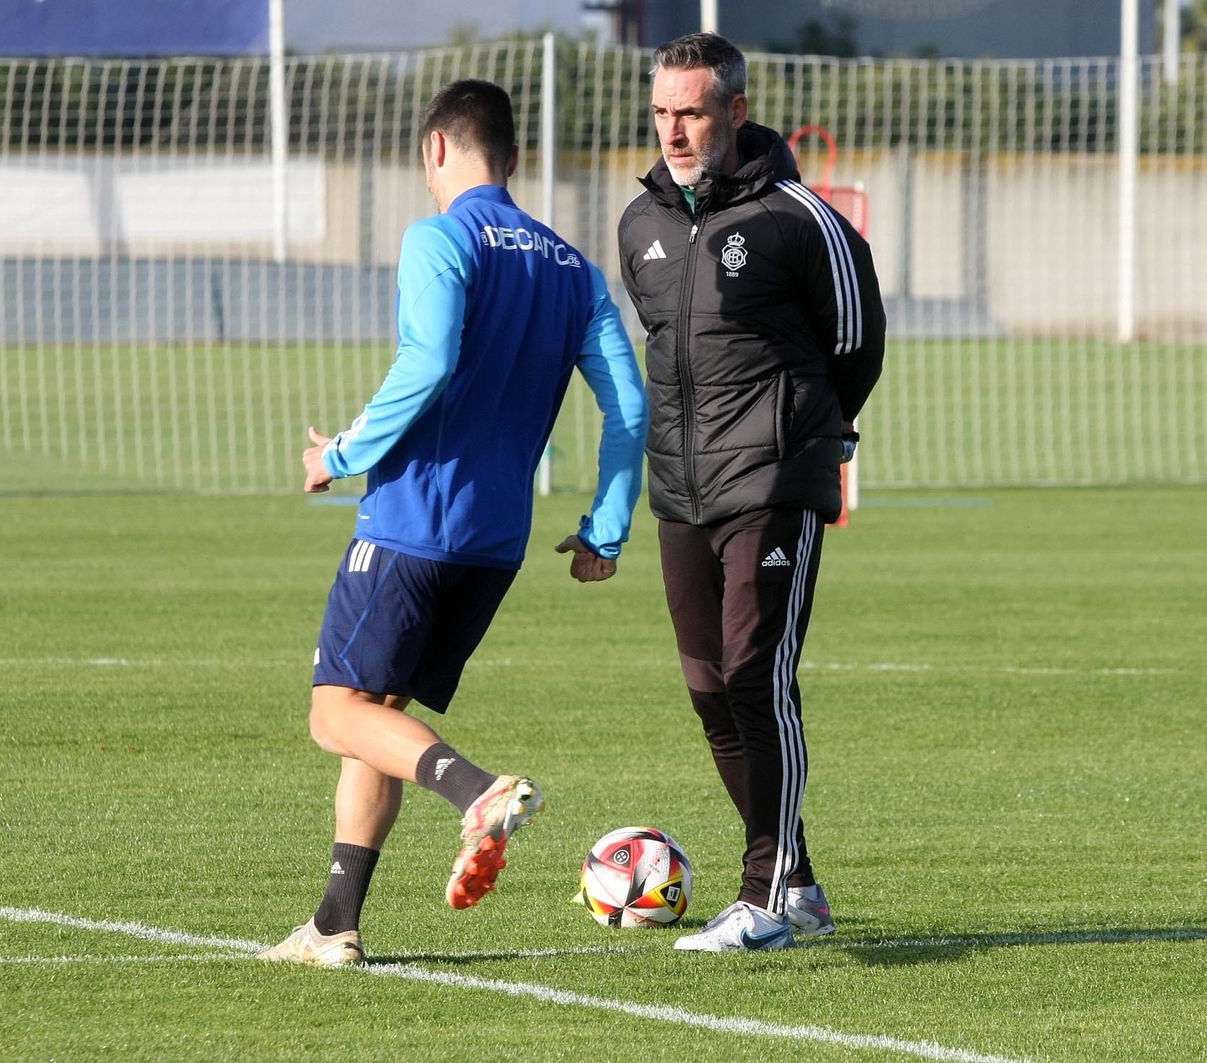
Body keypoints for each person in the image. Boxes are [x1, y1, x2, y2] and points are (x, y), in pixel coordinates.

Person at [260, 79, 649, 968]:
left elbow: (427, 361)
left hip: (409, 521)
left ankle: (477, 790)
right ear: (511, 159)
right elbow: (630, 406)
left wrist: (339, 455)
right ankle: (334, 925)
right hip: (496, 541)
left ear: (437, 149)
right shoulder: (573, 269)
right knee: (381, 714)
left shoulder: (438, 238)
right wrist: (606, 530)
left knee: (335, 714)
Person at [617, 32, 886, 953]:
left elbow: (857, 339)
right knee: (708, 689)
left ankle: (764, 895)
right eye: (662, 112)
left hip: (773, 479)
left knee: (755, 674)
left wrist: (804, 433)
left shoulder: (797, 217)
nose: (675, 130)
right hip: (680, 489)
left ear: (735, 110)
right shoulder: (639, 226)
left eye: (691, 111)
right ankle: (798, 881)